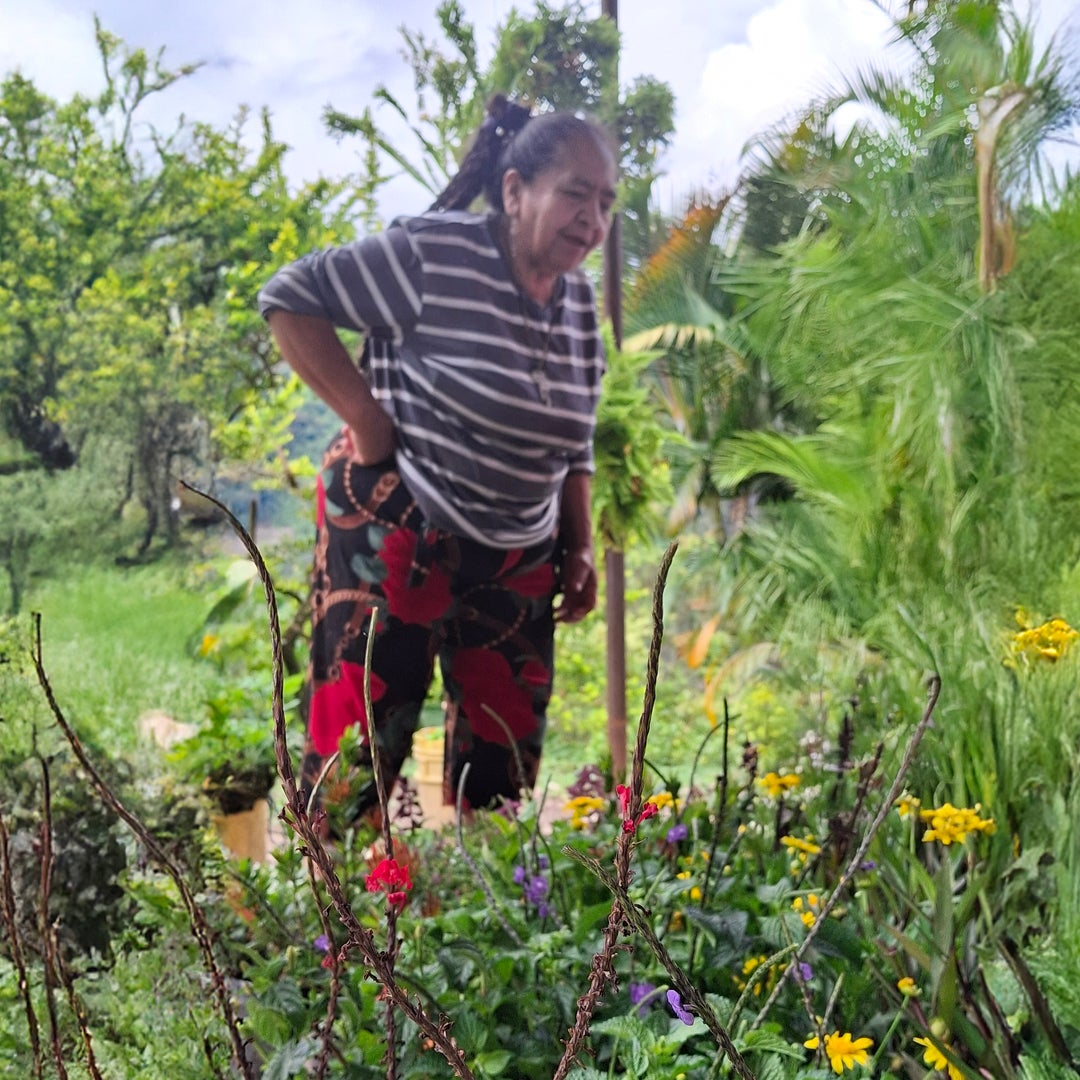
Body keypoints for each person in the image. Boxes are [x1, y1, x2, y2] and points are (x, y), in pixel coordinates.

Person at [258, 94, 617, 825]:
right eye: (576, 193)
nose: (594, 218)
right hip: (400, 522)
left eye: (606, 202)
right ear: (514, 192)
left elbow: (573, 439)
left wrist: (579, 545)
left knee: (502, 763)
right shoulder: (435, 254)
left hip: (517, 549)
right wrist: (365, 417)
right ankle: (335, 917)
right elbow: (290, 298)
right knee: (357, 742)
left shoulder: (579, 305)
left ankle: (481, 910)